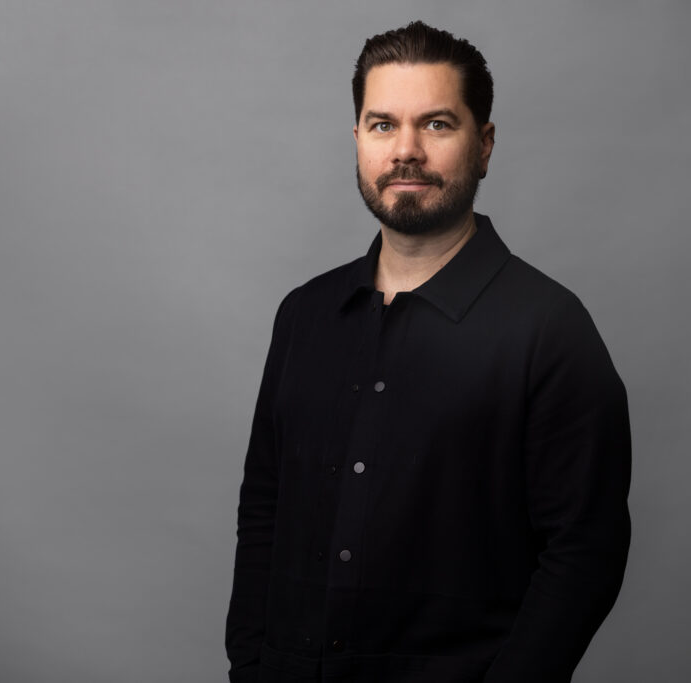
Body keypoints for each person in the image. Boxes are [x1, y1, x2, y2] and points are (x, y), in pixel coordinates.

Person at [226, 21, 631, 683]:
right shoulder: (304, 315)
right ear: (358, 138)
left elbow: (586, 551)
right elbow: (264, 508)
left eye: (437, 124)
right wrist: (249, 664)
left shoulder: (550, 329)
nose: (405, 151)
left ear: (484, 144)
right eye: (383, 125)